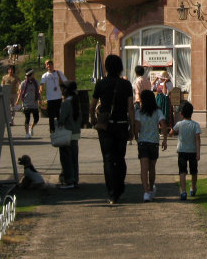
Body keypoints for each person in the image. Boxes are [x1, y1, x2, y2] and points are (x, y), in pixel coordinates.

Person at [90, 54, 134, 204]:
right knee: (120, 158)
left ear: (107, 67)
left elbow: (92, 105)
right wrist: (133, 128)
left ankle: (111, 192)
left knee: (108, 159)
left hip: (106, 126)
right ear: (120, 67)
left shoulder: (101, 84)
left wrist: (94, 120)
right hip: (121, 124)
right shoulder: (126, 84)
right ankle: (120, 187)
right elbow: (130, 108)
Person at [135, 89, 168, 202]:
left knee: (143, 169)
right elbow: (163, 124)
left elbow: (137, 127)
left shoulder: (139, 112)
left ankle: (146, 192)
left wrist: (136, 136)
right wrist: (164, 139)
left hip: (143, 141)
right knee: (152, 168)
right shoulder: (157, 111)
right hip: (154, 142)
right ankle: (151, 187)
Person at [170, 101, 202, 200]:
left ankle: (183, 191)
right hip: (192, 151)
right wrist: (198, 152)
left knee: (182, 172)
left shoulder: (179, 124)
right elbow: (197, 139)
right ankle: (193, 188)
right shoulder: (195, 125)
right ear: (191, 113)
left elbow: (172, 132)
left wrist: (171, 131)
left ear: (181, 114)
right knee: (194, 171)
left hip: (182, 151)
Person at [57, 81, 81, 189]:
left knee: (66, 158)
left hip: (66, 134)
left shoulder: (66, 103)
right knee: (74, 158)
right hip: (75, 133)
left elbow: (61, 119)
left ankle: (69, 180)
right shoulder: (76, 101)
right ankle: (75, 179)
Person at [40, 59, 66, 133]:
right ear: (46, 66)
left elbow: (65, 81)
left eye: (50, 64)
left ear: (53, 65)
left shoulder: (58, 73)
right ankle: (52, 130)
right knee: (51, 116)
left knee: (59, 115)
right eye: (47, 64)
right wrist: (40, 90)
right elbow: (42, 84)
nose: (49, 66)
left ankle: (60, 129)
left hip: (58, 97)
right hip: (50, 98)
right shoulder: (45, 75)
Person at [16, 69, 40, 139]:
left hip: (34, 103)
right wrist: (17, 101)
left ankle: (31, 127)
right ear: (30, 75)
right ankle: (27, 134)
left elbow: (38, 92)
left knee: (36, 119)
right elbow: (20, 92)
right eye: (32, 74)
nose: (34, 75)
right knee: (27, 119)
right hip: (26, 103)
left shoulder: (35, 82)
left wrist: (40, 100)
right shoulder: (23, 83)